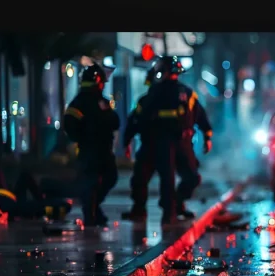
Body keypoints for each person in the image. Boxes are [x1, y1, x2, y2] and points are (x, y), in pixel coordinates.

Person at [132, 56, 211, 224]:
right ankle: (170, 212)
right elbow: (141, 117)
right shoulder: (157, 92)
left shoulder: (185, 93)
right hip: (164, 142)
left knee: (189, 177)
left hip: (181, 142)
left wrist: (207, 134)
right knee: (169, 178)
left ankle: (175, 204)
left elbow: (199, 114)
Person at [61, 64, 119, 227]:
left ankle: (93, 211)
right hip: (94, 150)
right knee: (97, 182)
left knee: (98, 181)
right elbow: (115, 122)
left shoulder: (81, 102)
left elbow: (70, 124)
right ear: (99, 82)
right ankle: (91, 215)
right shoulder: (94, 102)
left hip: (95, 150)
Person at [121, 68, 158, 221]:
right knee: (140, 180)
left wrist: (127, 140)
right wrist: (127, 140)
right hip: (155, 145)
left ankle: (173, 210)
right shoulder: (145, 101)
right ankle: (173, 211)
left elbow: (133, 122)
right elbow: (134, 121)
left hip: (157, 146)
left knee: (141, 180)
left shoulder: (147, 100)